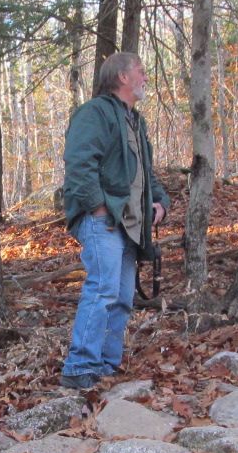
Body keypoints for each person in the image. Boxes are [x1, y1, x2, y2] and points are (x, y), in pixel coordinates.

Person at [59, 50, 168, 391]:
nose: (145, 77)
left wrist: (159, 200)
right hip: (103, 221)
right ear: (123, 77)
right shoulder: (94, 113)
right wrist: (98, 208)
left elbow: (144, 173)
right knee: (102, 289)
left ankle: (106, 366)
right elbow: (79, 164)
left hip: (129, 225)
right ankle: (79, 369)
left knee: (121, 296)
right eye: (141, 71)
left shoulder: (135, 120)